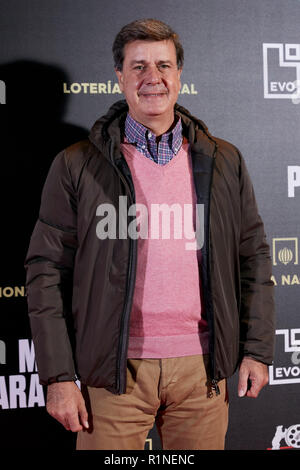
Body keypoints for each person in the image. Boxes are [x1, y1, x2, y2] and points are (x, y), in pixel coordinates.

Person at [24, 18, 275, 450]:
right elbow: (45, 272)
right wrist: (60, 377)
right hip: (113, 374)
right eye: (138, 66)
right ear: (119, 76)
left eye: (163, 65)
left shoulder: (224, 161)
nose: (152, 78)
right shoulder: (76, 164)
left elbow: (251, 257)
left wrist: (257, 349)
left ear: (179, 75)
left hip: (202, 370)